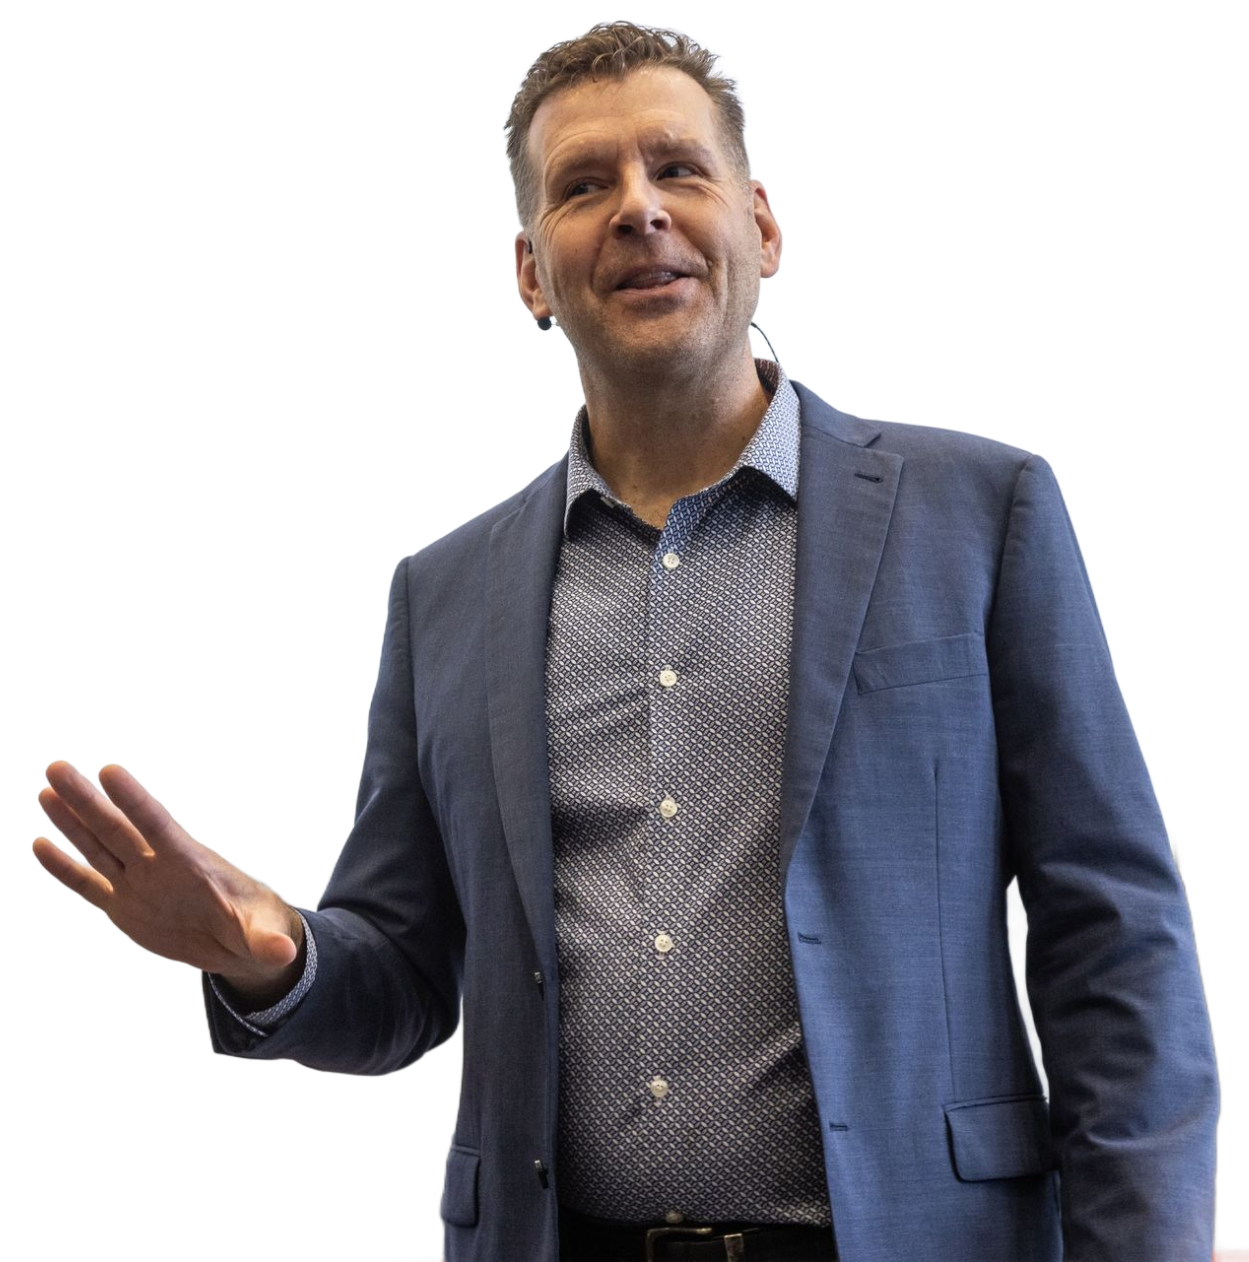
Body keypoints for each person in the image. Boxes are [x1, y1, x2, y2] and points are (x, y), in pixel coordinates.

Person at [30, 19, 1218, 1262]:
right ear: (531, 275)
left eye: (678, 170)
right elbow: (405, 974)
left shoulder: (982, 510)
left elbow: (1113, 927)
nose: (638, 210)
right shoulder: (441, 591)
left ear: (761, 225)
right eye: (584, 186)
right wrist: (271, 958)